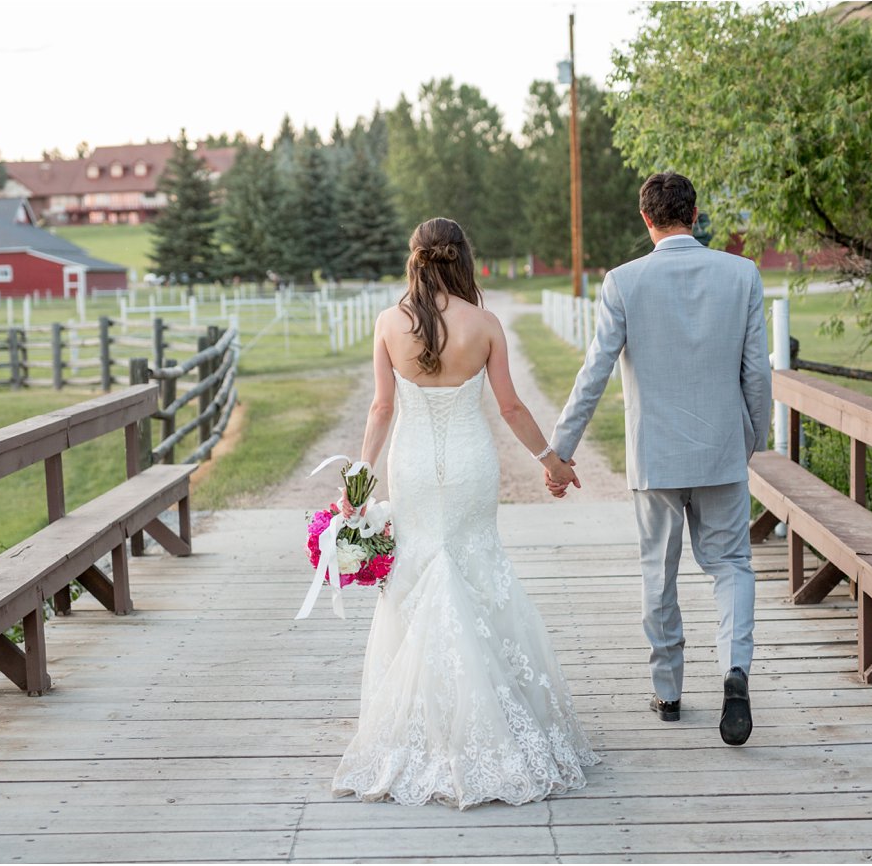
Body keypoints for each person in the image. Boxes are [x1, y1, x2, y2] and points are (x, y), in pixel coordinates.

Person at [330, 217, 599, 809]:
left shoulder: (389, 323)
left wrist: (358, 484)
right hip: (472, 465)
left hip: (415, 468)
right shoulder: (484, 324)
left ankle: (424, 724)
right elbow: (510, 405)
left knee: (423, 571)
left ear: (415, 259)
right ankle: (494, 720)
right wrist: (551, 461)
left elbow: (380, 409)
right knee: (476, 566)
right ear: (462, 259)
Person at [545, 172, 771, 746]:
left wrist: (561, 450)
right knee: (732, 566)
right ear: (696, 215)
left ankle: (668, 692)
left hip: (656, 455)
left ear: (646, 220)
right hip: (722, 447)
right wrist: (751, 438)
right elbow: (757, 370)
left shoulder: (623, 282)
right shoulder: (741, 274)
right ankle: (734, 670)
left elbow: (594, 370)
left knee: (659, 572)